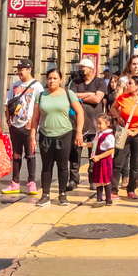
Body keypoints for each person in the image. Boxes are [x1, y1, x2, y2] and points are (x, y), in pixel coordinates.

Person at [31, 67, 84, 207]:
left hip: (65, 135)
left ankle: (62, 194)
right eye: (49, 78)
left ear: (60, 80)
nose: (52, 81)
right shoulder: (41, 96)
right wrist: (32, 136)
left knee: (63, 166)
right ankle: (45, 195)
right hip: (45, 135)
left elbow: (80, 112)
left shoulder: (68, 93)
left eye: (55, 78)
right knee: (46, 167)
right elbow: (35, 118)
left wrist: (78, 132)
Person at [3, 59, 42, 196]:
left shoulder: (37, 86)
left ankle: (31, 182)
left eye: (22, 69)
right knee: (16, 155)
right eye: (18, 69)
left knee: (30, 155)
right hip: (15, 125)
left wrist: (33, 121)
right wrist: (8, 121)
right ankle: (15, 182)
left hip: (29, 126)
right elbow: (7, 103)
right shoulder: (14, 85)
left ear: (29, 69)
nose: (19, 72)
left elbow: (40, 106)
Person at [69, 58, 109, 190]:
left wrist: (79, 96)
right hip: (78, 124)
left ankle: (93, 179)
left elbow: (97, 98)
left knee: (94, 153)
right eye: (79, 67)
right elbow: (70, 96)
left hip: (95, 124)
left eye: (82, 68)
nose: (80, 70)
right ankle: (73, 179)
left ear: (91, 69)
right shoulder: (75, 82)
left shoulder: (100, 82)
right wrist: (89, 94)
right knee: (75, 152)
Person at [112, 75, 138, 201]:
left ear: (137, 86)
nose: (127, 85)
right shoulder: (123, 97)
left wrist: (135, 132)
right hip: (124, 133)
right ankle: (113, 189)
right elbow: (113, 107)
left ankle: (131, 189)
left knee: (135, 163)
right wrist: (118, 116)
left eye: (130, 83)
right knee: (118, 161)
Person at [89, 114, 116, 206]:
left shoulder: (109, 136)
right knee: (98, 180)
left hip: (104, 159)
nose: (98, 125)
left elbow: (111, 150)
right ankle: (99, 199)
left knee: (106, 179)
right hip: (97, 159)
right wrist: (83, 144)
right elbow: (93, 144)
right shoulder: (98, 134)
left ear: (107, 123)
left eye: (100, 123)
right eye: (97, 123)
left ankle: (108, 200)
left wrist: (99, 157)